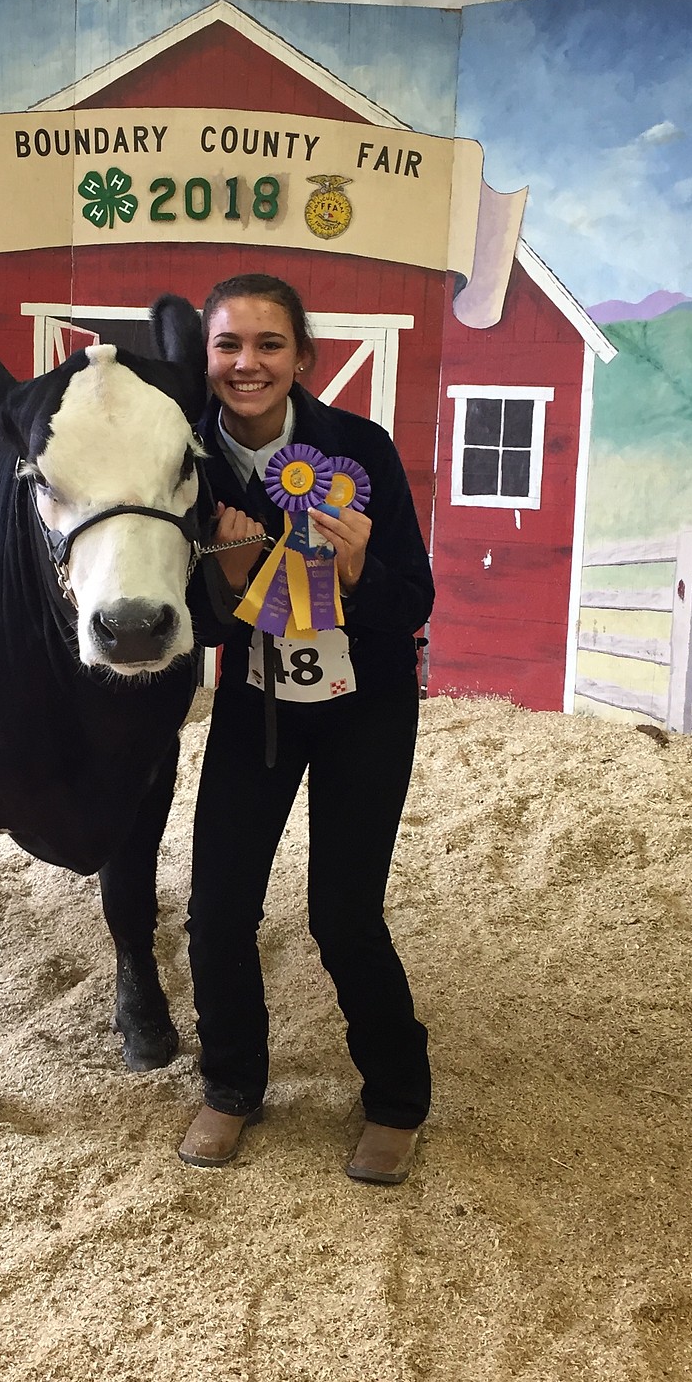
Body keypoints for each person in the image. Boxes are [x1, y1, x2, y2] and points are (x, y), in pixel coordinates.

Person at [178, 273, 435, 1185]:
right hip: (257, 705)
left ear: (303, 358)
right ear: (206, 358)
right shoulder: (187, 468)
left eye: (268, 345)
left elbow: (414, 603)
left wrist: (358, 572)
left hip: (365, 705)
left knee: (343, 915)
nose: (247, 364)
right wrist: (232, 580)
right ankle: (232, 1085)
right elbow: (187, 625)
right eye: (228, 346)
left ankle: (398, 1098)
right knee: (216, 910)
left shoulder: (357, 449)